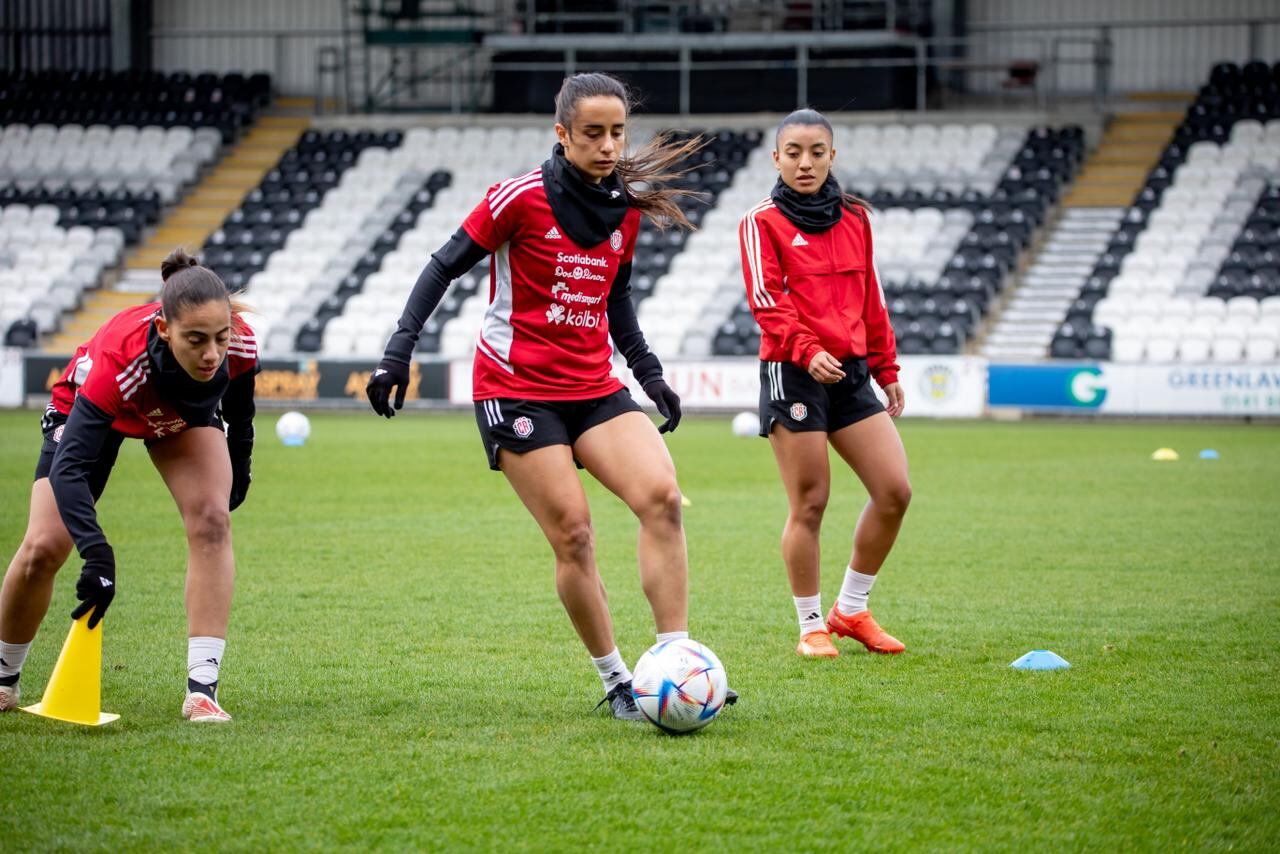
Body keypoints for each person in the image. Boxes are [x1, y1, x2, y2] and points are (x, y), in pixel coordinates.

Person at [368, 72, 734, 719]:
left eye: (617, 132)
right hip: (514, 389)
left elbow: (616, 300)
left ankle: (674, 663)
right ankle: (619, 681)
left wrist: (649, 375)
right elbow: (442, 265)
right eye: (592, 133)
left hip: (593, 385)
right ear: (561, 134)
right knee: (574, 534)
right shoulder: (519, 198)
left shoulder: (624, 208)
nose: (608, 146)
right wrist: (400, 350)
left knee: (663, 500)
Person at [0, 249, 258, 722]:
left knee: (212, 521)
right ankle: (3, 678)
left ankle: (202, 690)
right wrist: (97, 554)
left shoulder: (237, 345)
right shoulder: (122, 359)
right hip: (93, 410)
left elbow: (240, 414)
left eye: (220, 338)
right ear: (164, 330)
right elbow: (70, 468)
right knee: (44, 547)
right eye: (196, 340)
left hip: (176, 418)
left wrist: (239, 469)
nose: (211, 354)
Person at [738, 109, 911, 659]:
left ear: (832, 156)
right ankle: (811, 624)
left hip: (852, 371)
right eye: (794, 152)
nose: (805, 162)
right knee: (811, 502)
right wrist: (807, 351)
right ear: (777, 159)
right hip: (793, 372)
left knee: (894, 491)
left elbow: (871, 299)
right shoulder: (759, 221)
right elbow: (767, 302)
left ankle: (852, 610)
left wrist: (887, 370)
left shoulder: (856, 217)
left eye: (816, 151)